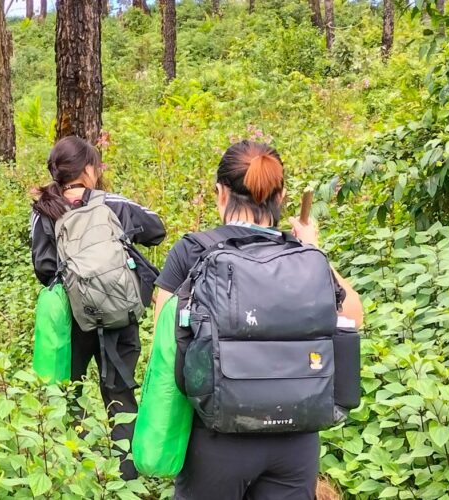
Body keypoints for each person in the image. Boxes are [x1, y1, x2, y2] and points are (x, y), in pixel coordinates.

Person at [152, 141, 364, 499]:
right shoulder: (302, 255)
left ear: (220, 193)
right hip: (296, 439)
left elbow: (166, 342)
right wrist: (312, 250)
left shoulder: (193, 250)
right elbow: (353, 316)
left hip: (216, 438)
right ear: (280, 197)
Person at [30, 136, 166, 480]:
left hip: (72, 319)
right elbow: (156, 230)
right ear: (88, 169)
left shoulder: (44, 209)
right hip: (119, 315)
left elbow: (43, 267)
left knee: (68, 391)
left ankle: (73, 472)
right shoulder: (112, 203)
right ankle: (127, 477)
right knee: (120, 396)